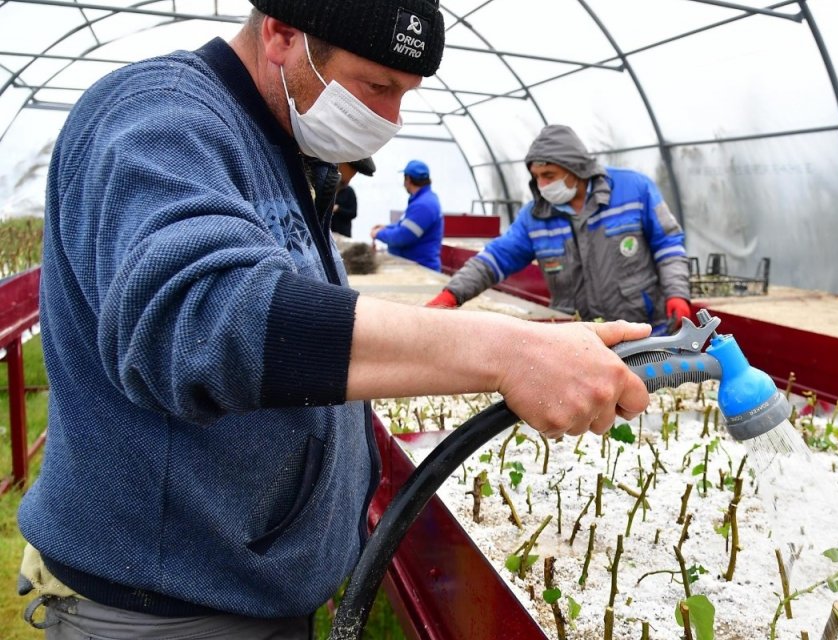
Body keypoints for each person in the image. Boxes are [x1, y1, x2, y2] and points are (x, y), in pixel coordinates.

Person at [18, 2, 651, 638]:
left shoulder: (281, 147)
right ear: (282, 33)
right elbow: (204, 318)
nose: (391, 119)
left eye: (405, 95)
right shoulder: (159, 117)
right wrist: (510, 353)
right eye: (376, 87)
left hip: (246, 593)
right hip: (168, 610)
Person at [427, 124, 694, 332]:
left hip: (645, 330)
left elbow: (668, 246)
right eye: (537, 177)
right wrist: (452, 294)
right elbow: (495, 258)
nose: (542, 185)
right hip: (581, 336)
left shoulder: (634, 189)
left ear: (575, 168)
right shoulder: (535, 217)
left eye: (549, 176)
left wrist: (678, 295)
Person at [371, 159, 443, 270]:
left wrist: (378, 234)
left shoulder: (423, 205)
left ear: (408, 179)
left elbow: (403, 236)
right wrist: (386, 227)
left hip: (421, 269)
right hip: (416, 266)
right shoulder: (423, 200)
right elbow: (405, 225)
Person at [331, 156, 375, 237]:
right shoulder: (328, 187)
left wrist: (338, 209)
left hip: (342, 234)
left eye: (355, 171)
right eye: (353, 169)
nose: (352, 175)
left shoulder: (349, 192)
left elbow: (353, 213)